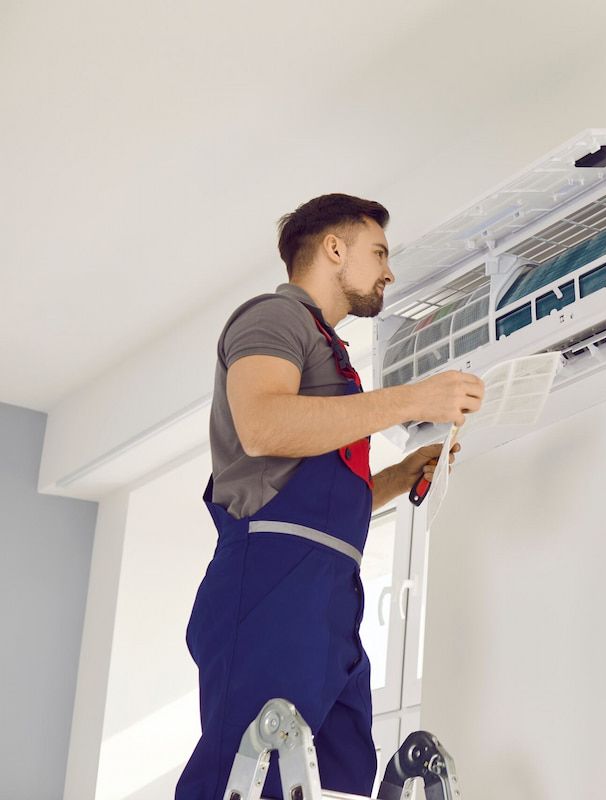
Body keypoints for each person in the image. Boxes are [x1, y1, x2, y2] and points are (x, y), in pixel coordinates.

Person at [175, 194, 484, 799]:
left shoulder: (330, 353)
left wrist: (400, 474)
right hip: (268, 582)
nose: (389, 271)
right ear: (334, 249)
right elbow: (263, 426)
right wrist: (414, 399)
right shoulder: (272, 318)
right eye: (380, 253)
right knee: (245, 773)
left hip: (329, 594)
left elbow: (317, 502)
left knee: (338, 780)